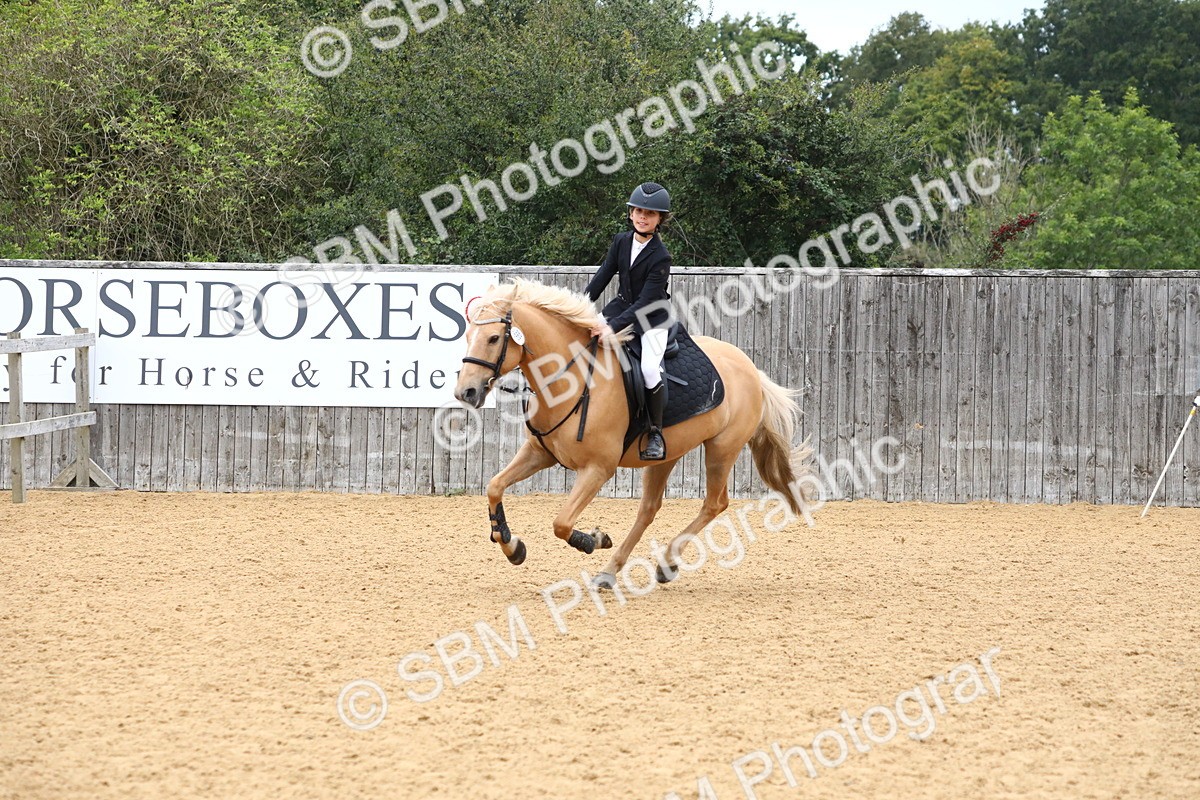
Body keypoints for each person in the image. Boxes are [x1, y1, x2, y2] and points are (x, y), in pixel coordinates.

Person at [584, 181, 674, 461]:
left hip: (652, 318)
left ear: (660, 219)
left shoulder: (661, 256)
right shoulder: (621, 241)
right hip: (621, 307)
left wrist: (611, 326)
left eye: (649, 213)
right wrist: (580, 306)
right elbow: (603, 276)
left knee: (649, 369)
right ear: (631, 213)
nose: (642, 217)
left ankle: (655, 432)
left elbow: (646, 302)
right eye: (637, 210)